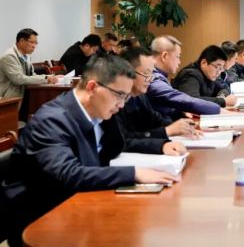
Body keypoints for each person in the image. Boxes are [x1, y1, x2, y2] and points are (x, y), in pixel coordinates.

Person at [0, 55, 179, 245]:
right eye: (119, 95)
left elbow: (122, 142)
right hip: (42, 219)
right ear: (92, 87)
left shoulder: (100, 111)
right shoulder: (51, 120)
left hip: (82, 202)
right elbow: (68, 174)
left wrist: (159, 146)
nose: (121, 105)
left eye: (126, 97)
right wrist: (134, 173)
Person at [116, 47, 200, 144]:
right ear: (128, 73)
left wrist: (182, 127)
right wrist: (167, 131)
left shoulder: (139, 96)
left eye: (151, 74)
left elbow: (155, 120)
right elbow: (124, 140)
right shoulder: (115, 100)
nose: (150, 80)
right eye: (146, 74)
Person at [147, 35, 226, 120]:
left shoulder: (160, 76)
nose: (179, 62)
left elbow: (167, 106)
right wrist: (217, 109)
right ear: (165, 56)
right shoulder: (152, 78)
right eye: (178, 57)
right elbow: (180, 99)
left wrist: (180, 111)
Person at [0, 28, 60, 99]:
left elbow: (32, 76)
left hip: (24, 95)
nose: (34, 46)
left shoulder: (26, 56)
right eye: (32, 42)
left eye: (36, 43)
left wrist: (51, 77)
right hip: (8, 99)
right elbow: (19, 79)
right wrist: (47, 79)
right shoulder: (9, 56)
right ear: (22, 41)